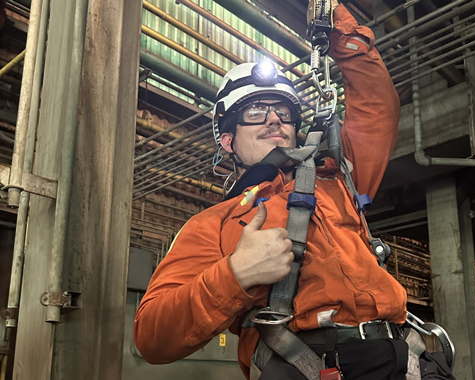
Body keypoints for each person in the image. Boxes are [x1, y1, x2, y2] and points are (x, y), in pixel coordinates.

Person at [134, 3, 430, 380]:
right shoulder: (214, 225)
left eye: (282, 111)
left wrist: (336, 26)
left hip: (403, 361)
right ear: (228, 139)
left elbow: (377, 106)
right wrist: (235, 274)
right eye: (255, 111)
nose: (274, 119)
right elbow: (151, 336)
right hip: (315, 367)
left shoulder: (337, 180)